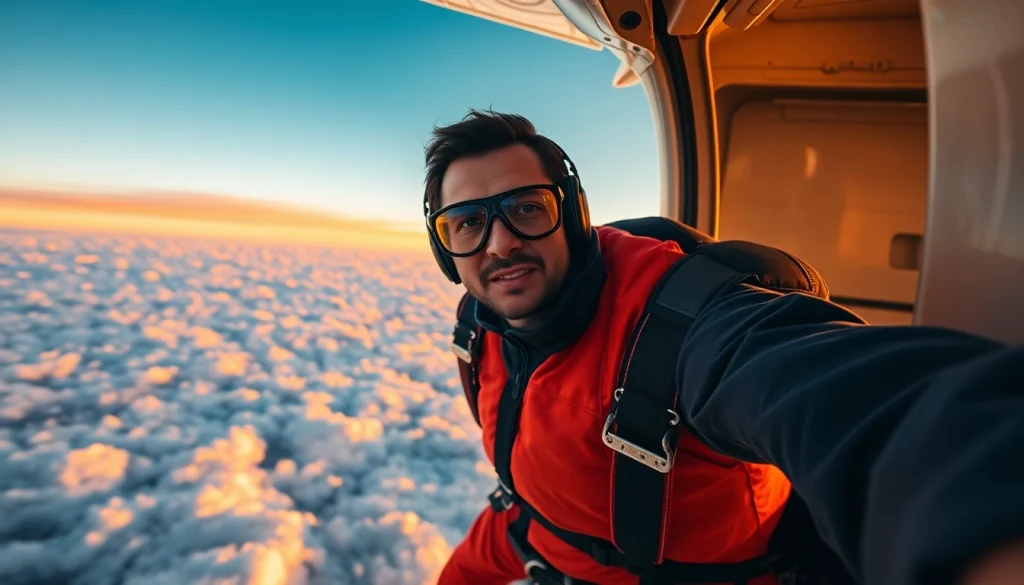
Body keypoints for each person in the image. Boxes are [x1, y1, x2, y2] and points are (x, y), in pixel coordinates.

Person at [420, 109, 1023, 585]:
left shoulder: (688, 328)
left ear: (574, 217)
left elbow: (861, 404)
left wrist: (984, 514)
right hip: (524, 529)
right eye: (467, 224)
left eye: (527, 209)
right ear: (447, 250)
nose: (498, 244)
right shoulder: (479, 320)